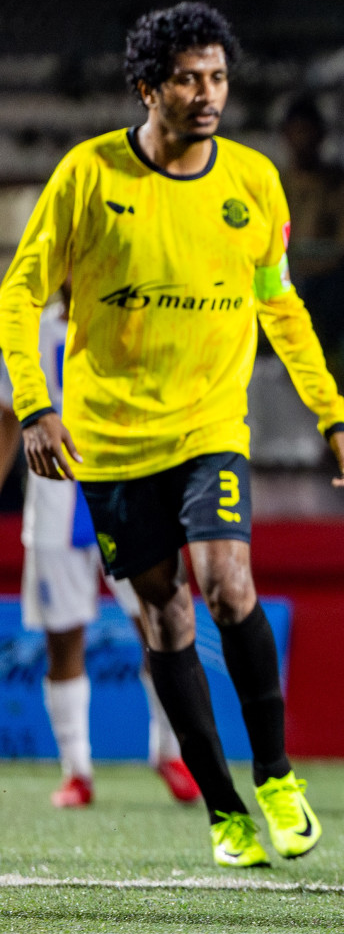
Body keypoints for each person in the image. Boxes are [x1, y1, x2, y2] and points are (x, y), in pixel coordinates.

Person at [0, 3, 344, 868]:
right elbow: (21, 295)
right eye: (186, 80)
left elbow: (279, 301)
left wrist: (333, 414)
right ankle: (223, 810)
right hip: (110, 439)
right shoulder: (88, 178)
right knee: (165, 618)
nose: (207, 95)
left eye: (217, 78)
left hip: (211, 426)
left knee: (229, 583)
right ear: (147, 89)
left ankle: (278, 779)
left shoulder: (252, 181)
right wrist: (34, 404)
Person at [0, 300, 199, 809]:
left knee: (160, 624)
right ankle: (78, 771)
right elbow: (7, 416)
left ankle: (169, 752)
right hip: (54, 500)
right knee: (64, 637)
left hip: (127, 493)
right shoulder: (27, 329)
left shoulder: (136, 312)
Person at [278, 96, 344, 399]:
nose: (303, 138)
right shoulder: (271, 184)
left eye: (308, 130)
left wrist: (309, 267)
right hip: (283, 284)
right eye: (297, 130)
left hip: (329, 288)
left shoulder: (341, 185)